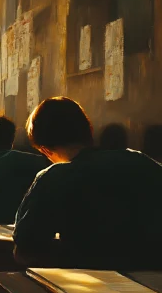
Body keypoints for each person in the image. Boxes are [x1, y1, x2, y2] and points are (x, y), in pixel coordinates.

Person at [13, 97, 162, 269]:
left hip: (92, 281)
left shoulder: (55, 176)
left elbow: (24, 244)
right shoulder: (140, 161)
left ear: (45, 150)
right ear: (89, 131)